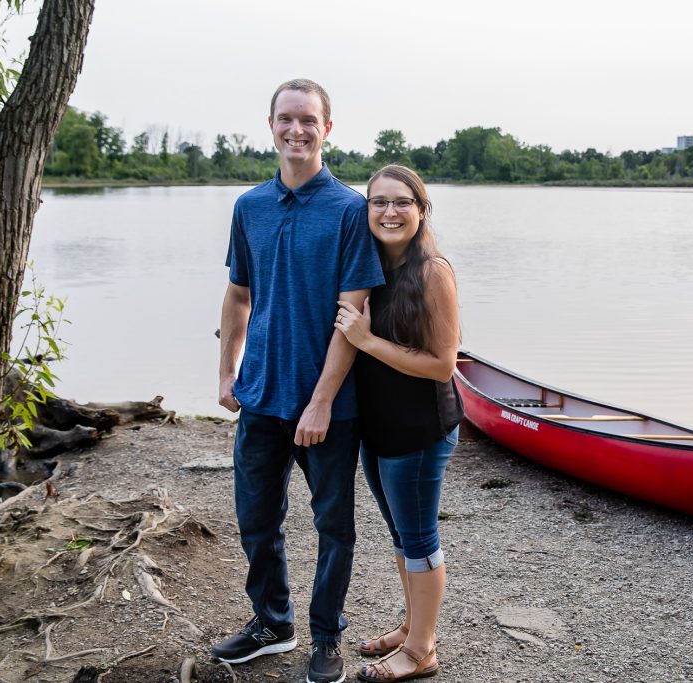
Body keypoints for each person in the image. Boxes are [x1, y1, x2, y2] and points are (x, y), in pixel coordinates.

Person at [212, 79, 384, 683]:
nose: (297, 130)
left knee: (333, 526)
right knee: (256, 519)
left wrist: (320, 402)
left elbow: (352, 314)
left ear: (326, 129)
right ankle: (271, 624)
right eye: (286, 119)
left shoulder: (350, 211)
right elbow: (238, 294)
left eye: (308, 120)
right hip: (260, 396)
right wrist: (228, 370)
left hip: (329, 408)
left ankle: (325, 636)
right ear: (271, 125)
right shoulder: (249, 207)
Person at [334, 165, 463, 682]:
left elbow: (442, 365)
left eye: (401, 202)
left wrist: (367, 342)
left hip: (421, 427)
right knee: (399, 535)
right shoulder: (366, 268)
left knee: (419, 537)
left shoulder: (432, 272)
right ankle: (413, 627)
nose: (389, 212)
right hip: (379, 426)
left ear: (421, 210)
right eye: (378, 202)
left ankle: (421, 650)